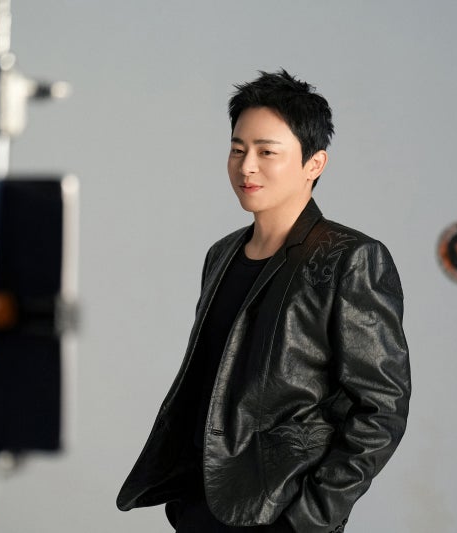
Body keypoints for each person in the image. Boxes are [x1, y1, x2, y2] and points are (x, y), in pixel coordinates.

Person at [116, 69, 411, 533]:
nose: (246, 166)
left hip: (281, 511)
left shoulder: (350, 258)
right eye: (237, 150)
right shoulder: (222, 254)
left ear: (314, 163)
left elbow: (382, 409)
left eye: (266, 152)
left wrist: (309, 518)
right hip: (202, 505)